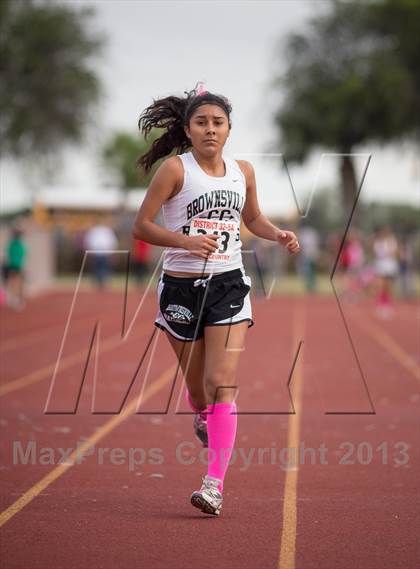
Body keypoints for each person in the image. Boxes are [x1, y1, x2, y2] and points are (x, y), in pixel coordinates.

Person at [132, 83, 300, 516]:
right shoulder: (174, 170)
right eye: (201, 122)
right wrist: (185, 243)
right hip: (181, 288)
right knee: (198, 391)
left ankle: (213, 485)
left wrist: (277, 233)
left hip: (228, 284)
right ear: (188, 130)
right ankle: (203, 414)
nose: (210, 129)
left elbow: (254, 218)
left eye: (218, 123)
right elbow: (142, 227)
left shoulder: (242, 172)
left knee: (221, 384)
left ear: (229, 130)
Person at [371, 226, 399, 318]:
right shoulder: (378, 242)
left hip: (390, 266)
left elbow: (394, 252)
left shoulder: (392, 241)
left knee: (388, 286)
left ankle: (387, 304)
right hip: (381, 265)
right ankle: (381, 304)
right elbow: (377, 253)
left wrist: (389, 252)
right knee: (381, 285)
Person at [84, 221, 118, 289]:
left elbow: (112, 242)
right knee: (96, 269)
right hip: (96, 253)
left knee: (105, 269)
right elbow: (88, 241)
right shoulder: (94, 230)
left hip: (105, 253)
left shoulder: (107, 230)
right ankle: (96, 283)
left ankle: (105, 283)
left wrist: (112, 252)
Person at [2, 223, 27, 310]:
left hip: (14, 266)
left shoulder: (16, 245)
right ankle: (15, 300)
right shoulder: (17, 245)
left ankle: (15, 299)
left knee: (16, 283)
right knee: (16, 283)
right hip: (15, 266)